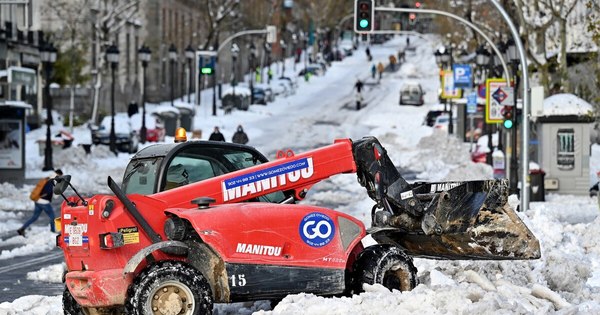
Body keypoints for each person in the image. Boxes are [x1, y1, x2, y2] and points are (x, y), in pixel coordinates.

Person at [17, 169, 63, 236]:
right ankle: (52, 232)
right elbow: (48, 191)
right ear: (58, 175)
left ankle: (22, 229)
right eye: (60, 176)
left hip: (37, 201)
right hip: (44, 202)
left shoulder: (47, 178)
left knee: (34, 217)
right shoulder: (52, 181)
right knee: (52, 217)